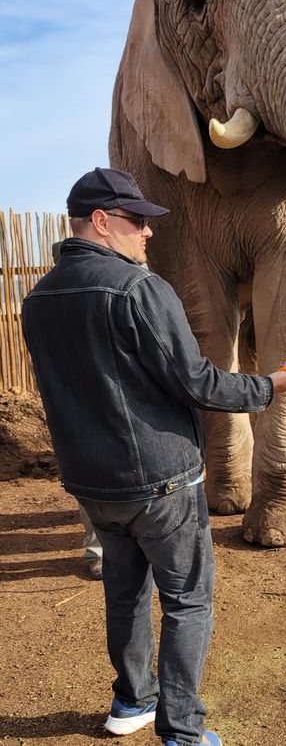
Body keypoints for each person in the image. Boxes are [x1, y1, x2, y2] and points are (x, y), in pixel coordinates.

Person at [22, 167, 286, 746]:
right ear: (102, 222)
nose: (148, 234)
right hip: (159, 481)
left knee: (124, 592)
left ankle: (132, 701)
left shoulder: (38, 299)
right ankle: (182, 729)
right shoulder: (139, 290)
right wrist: (268, 386)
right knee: (187, 599)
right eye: (137, 222)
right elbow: (197, 382)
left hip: (91, 486)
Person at [52, 240, 104, 581]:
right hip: (78, 410)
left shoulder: (108, 292)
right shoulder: (49, 304)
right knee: (91, 484)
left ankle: (107, 551)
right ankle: (98, 551)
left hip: (105, 407)